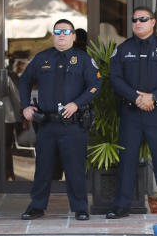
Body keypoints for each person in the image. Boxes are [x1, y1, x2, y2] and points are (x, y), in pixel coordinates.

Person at [107, 6, 157, 220]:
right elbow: (115, 79)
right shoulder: (123, 49)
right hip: (130, 114)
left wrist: (152, 97)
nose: (138, 23)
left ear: (153, 22)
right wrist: (136, 98)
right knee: (127, 160)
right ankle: (121, 206)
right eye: (134, 20)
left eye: (143, 19)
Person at [18, 19, 101, 221]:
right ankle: (37, 206)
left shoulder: (83, 59)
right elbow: (24, 80)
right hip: (46, 124)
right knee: (43, 169)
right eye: (57, 31)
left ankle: (80, 208)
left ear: (73, 35)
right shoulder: (42, 58)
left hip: (72, 125)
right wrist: (25, 106)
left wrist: (77, 104)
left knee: (75, 169)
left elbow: (95, 84)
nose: (61, 35)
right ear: (53, 35)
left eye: (66, 31)